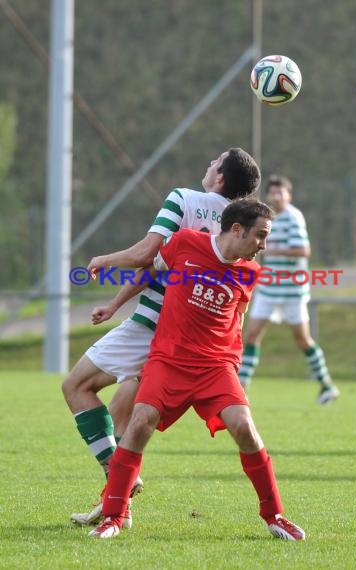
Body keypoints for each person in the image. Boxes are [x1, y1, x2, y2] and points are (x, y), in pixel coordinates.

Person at [62, 148, 261, 527]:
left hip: (155, 324)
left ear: (220, 176)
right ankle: (114, 503)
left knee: (76, 386)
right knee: (124, 409)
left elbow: (146, 255)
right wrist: (117, 304)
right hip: (193, 338)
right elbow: (162, 265)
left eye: (213, 161)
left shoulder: (183, 199)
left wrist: (104, 261)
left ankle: (117, 478)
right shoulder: (240, 225)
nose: (207, 164)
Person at [88, 199, 306, 541]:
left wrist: (231, 360)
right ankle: (114, 517)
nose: (263, 245)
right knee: (140, 421)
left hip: (215, 366)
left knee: (245, 428)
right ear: (237, 229)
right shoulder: (185, 242)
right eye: (260, 236)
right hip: (169, 360)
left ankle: (275, 515)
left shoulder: (250, 272)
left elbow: (238, 316)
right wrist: (115, 305)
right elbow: (150, 272)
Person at [238, 175, 340, 404]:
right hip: (268, 289)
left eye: (280, 193)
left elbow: (303, 251)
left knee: (303, 340)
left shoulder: (293, 217)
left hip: (292, 291)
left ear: (288, 195)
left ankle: (327, 385)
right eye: (272, 193)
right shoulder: (266, 219)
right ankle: (241, 390)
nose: (275, 196)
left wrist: (272, 250)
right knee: (252, 335)